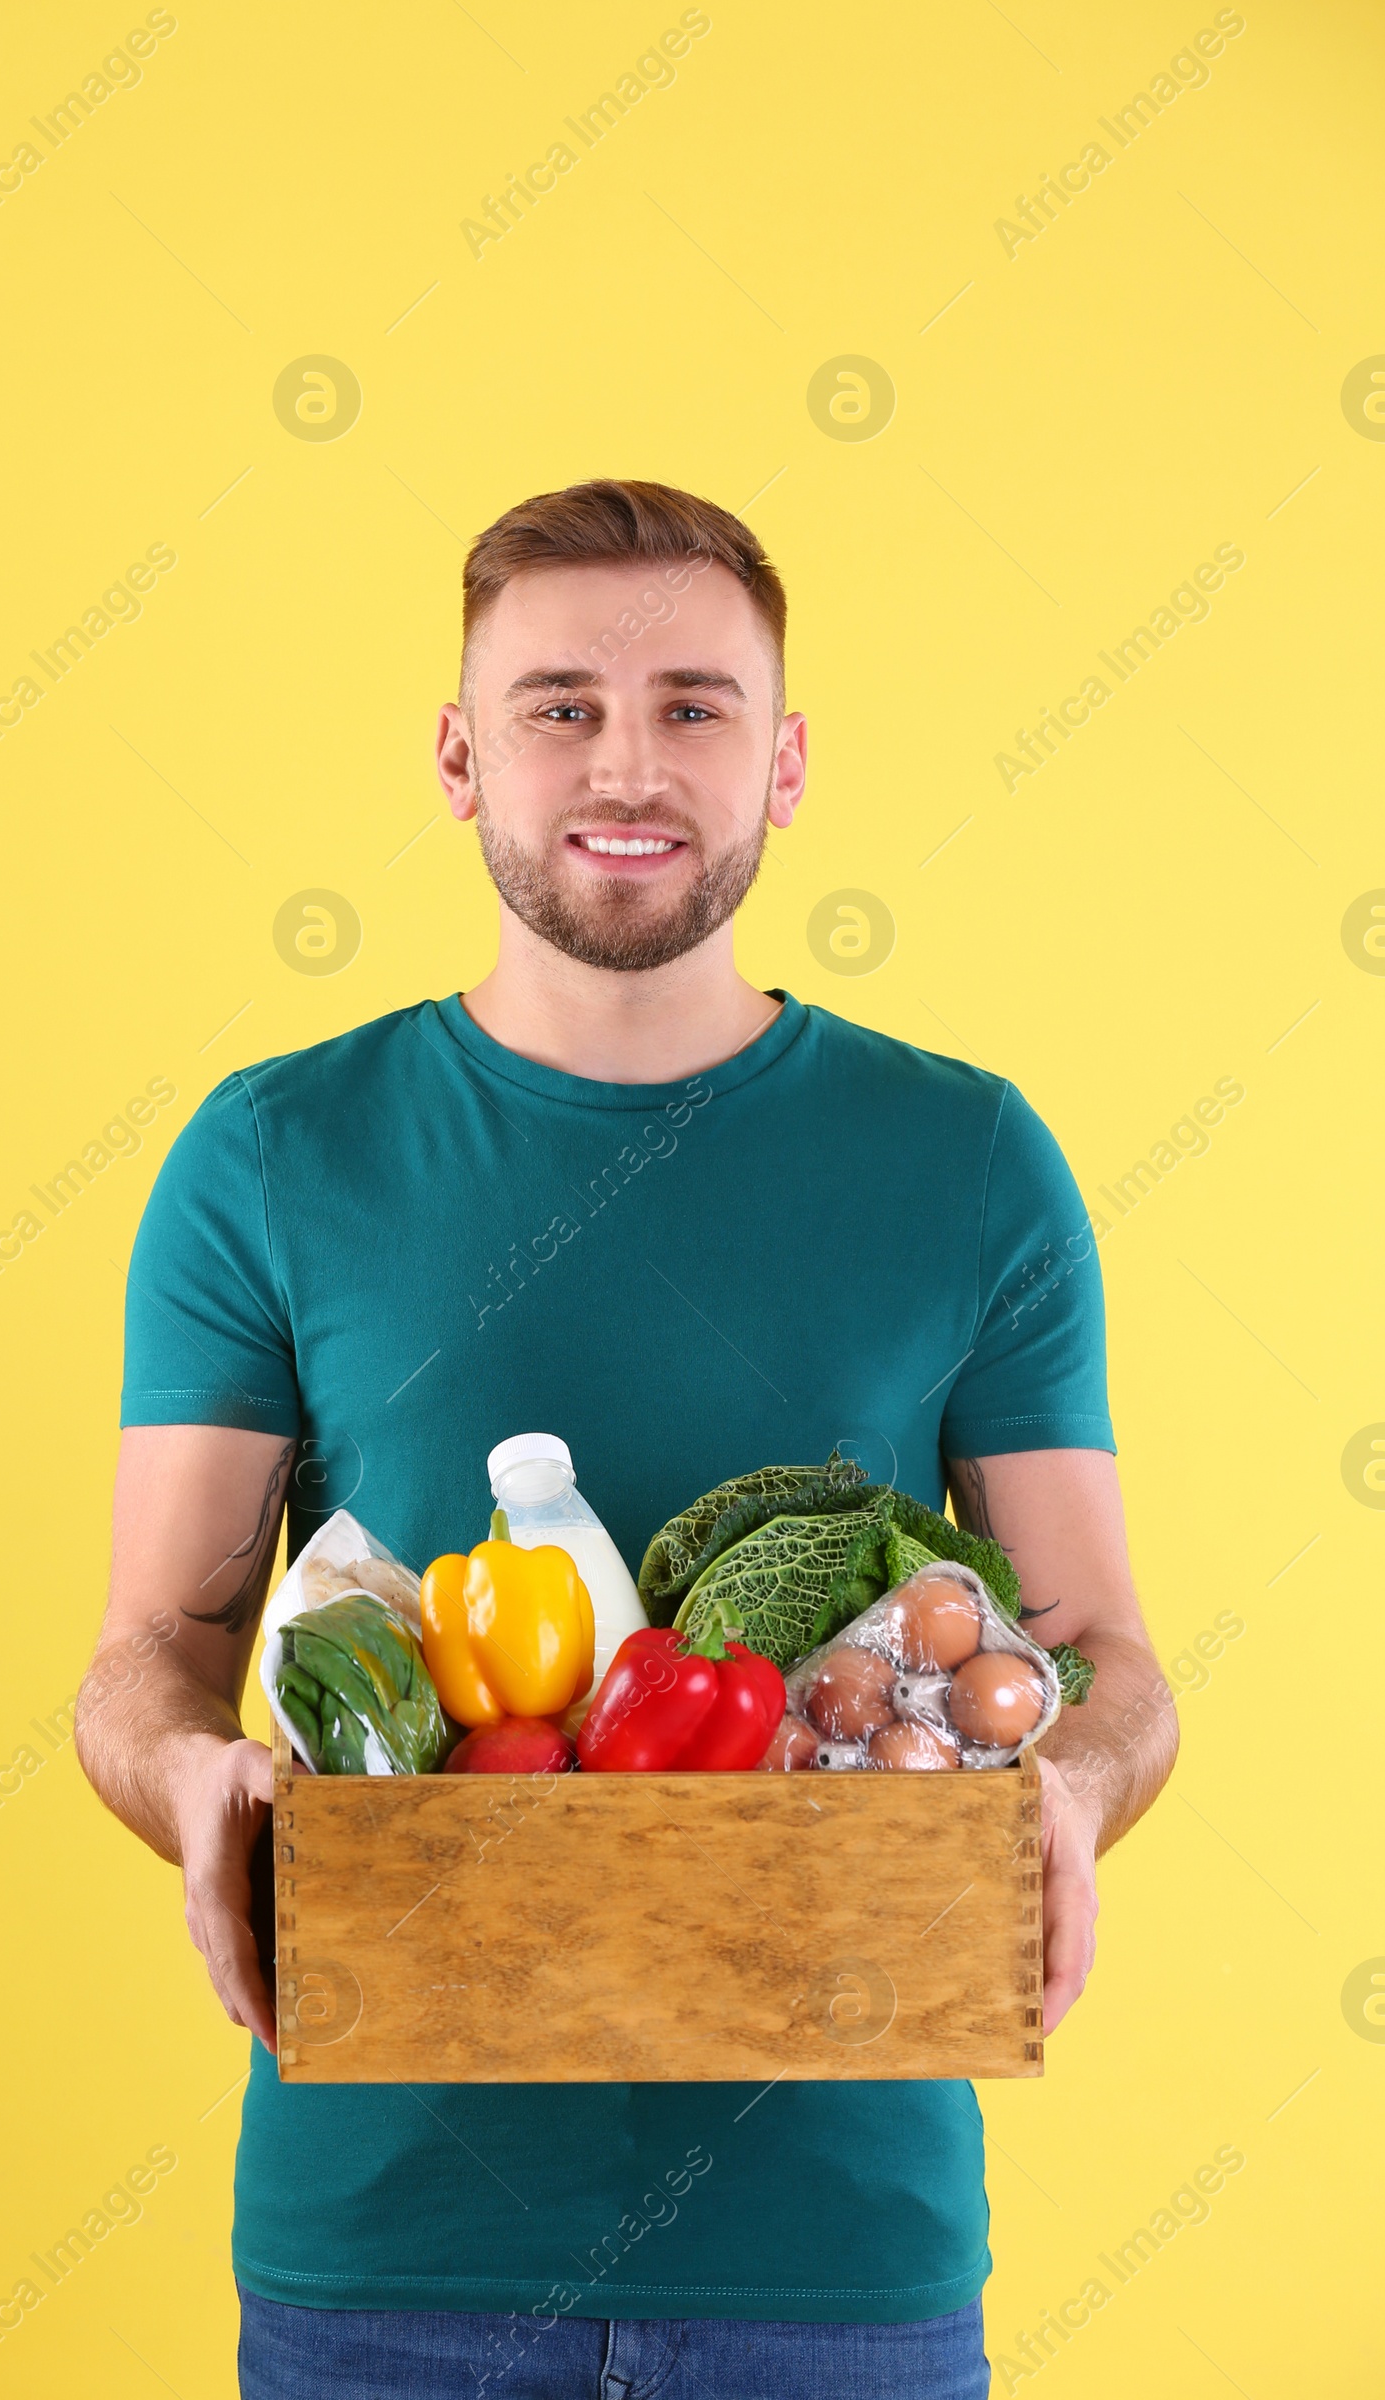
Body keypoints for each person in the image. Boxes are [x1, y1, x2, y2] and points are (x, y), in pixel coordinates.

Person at [76, 478, 1178, 2400]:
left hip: (841, 2259)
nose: (631, 764)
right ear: (458, 752)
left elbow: (1105, 1661)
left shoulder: (969, 1160)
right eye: (560, 703)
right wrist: (195, 1784)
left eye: (696, 704)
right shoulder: (271, 1157)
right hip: (382, 2250)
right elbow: (149, 1651)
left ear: (788, 756)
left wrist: (1068, 1790)